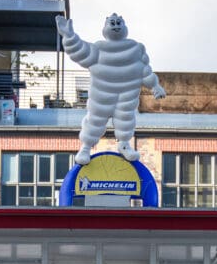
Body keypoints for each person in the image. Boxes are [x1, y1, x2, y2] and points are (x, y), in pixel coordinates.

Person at [55, 13, 166, 164]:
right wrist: (69, 35)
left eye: (119, 22)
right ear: (105, 28)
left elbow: (145, 70)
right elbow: (79, 50)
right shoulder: (98, 49)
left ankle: (124, 144)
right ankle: (86, 147)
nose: (115, 26)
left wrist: (155, 85)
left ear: (125, 26)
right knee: (94, 120)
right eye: (112, 23)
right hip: (101, 94)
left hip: (127, 94)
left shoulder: (136, 49)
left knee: (126, 119)